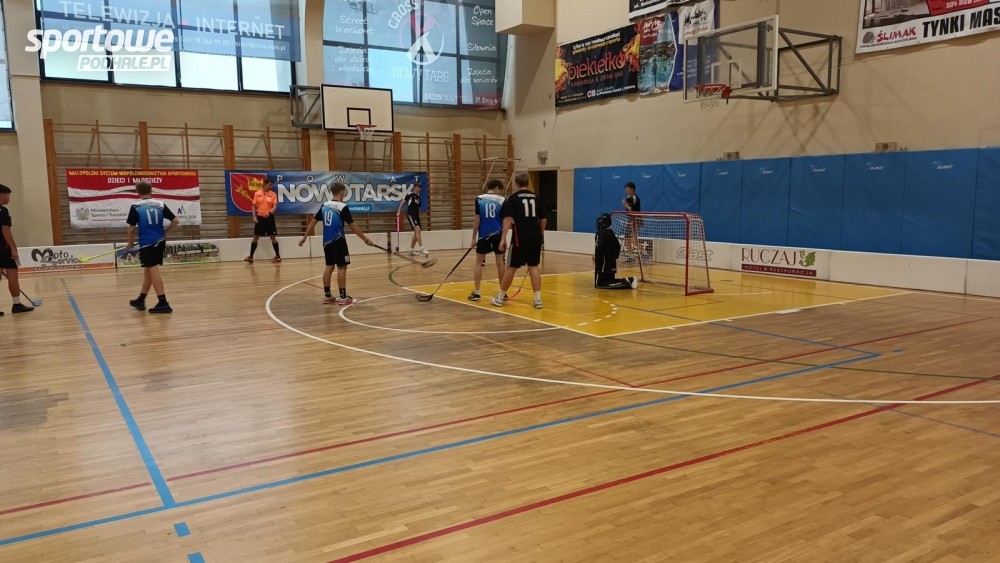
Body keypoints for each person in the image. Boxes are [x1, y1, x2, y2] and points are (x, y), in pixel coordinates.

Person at [299, 182, 375, 305]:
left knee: (329, 266)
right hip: (338, 240)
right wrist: (366, 240)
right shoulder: (342, 207)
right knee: (342, 267)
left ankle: (327, 296)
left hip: (326, 241)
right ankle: (343, 297)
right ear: (341, 193)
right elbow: (352, 225)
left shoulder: (324, 205)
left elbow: (313, 222)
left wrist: (304, 238)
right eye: (344, 193)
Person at [491, 173, 546, 309]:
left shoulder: (513, 198)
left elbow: (507, 219)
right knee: (533, 268)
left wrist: (503, 239)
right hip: (535, 237)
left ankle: (500, 298)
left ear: (516, 184)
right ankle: (538, 300)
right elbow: (543, 219)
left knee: (511, 268)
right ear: (528, 183)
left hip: (519, 238)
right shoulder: (537, 197)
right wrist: (540, 235)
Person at [125, 181, 180, 314]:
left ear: (138, 192)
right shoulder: (160, 204)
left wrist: (130, 243)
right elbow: (176, 221)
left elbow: (131, 229)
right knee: (149, 270)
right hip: (160, 240)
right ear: (151, 191)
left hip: (148, 243)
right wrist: (166, 231)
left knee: (153, 270)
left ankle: (163, 303)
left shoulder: (135, 206)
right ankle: (141, 299)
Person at [468, 179, 506, 301]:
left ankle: (477, 292)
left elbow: (477, 220)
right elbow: (505, 220)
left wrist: (473, 238)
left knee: (478, 262)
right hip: (498, 234)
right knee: (500, 263)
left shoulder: (479, 199)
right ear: (496, 188)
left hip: (483, 235)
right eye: (499, 189)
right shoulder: (502, 200)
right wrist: (504, 238)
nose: (499, 192)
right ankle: (503, 293)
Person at [0, 184, 32, 315]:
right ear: (1, 195)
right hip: (3, 247)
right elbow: (5, 230)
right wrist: (13, 247)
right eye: (8, 195)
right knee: (12, 273)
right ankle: (17, 304)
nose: (9, 198)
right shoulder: (3, 210)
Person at [594, 213, 638, 290]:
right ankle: (627, 281)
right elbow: (618, 246)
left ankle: (627, 281)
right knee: (610, 280)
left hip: (603, 266)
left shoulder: (600, 233)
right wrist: (614, 257)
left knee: (599, 284)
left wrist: (597, 258)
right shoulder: (611, 232)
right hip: (612, 266)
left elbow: (600, 246)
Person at [245, 178, 281, 264]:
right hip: (260, 218)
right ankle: (251, 257)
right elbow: (253, 206)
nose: (271, 187)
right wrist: (254, 217)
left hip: (269, 218)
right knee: (256, 237)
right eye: (270, 185)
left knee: (272, 237)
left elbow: (275, 206)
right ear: (265, 184)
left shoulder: (273, 194)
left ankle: (278, 256)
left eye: (272, 185)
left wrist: (269, 213)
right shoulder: (257, 193)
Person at [396, 181, 428, 256]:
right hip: (411, 215)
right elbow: (403, 202)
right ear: (414, 187)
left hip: (416, 216)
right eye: (418, 187)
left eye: (420, 187)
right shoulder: (410, 194)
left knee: (417, 232)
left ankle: (411, 250)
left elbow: (417, 208)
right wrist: (398, 211)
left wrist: (419, 217)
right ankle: (422, 248)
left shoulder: (419, 198)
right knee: (417, 230)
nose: (419, 188)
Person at [622, 181, 642, 258]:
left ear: (632, 189)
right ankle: (630, 256)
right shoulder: (628, 198)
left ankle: (643, 253)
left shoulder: (635, 198)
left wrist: (625, 204)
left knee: (634, 240)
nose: (626, 190)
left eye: (627, 188)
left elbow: (632, 210)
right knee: (626, 238)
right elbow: (628, 210)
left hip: (636, 219)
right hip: (629, 220)